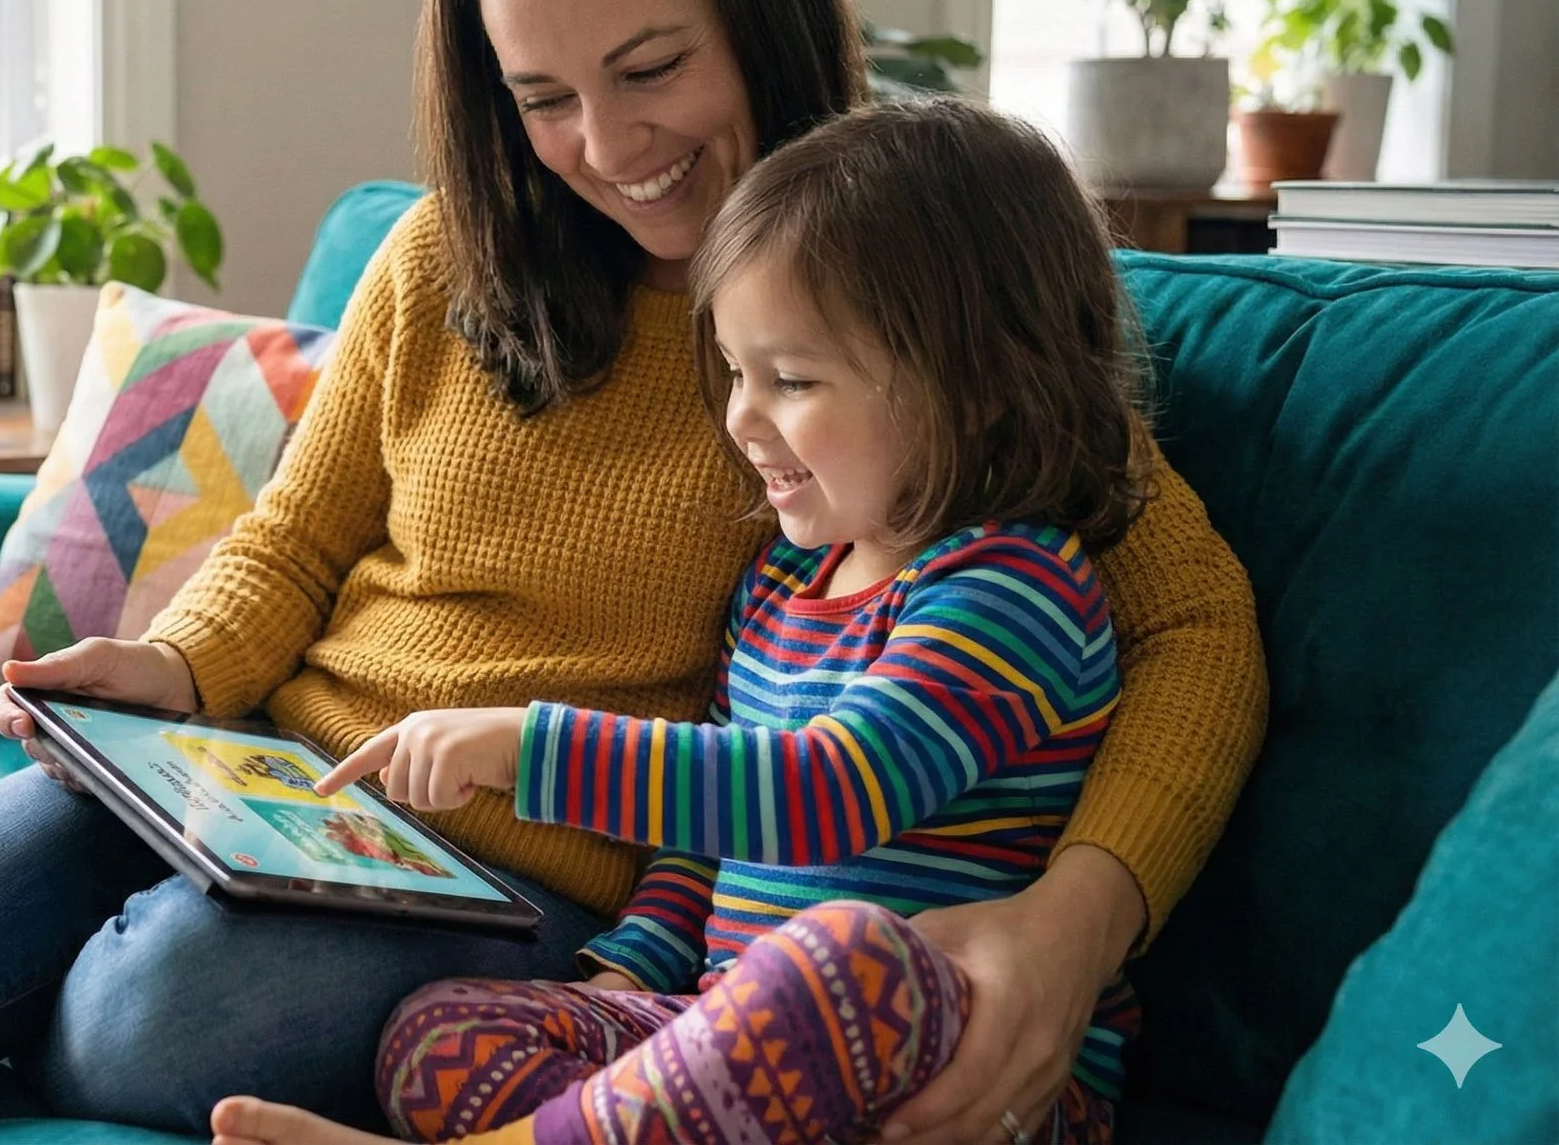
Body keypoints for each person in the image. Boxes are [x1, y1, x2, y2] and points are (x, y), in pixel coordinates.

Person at [0, 0, 1265, 1141]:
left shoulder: (906, 298)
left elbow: (1192, 626)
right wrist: (175, 665)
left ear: (760, 11)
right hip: (261, 789)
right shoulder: (441, 261)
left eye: (651, 70)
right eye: (542, 97)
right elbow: (292, 542)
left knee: (157, 1023)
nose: (607, 145)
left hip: (515, 877)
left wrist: (1079, 922)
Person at [209, 96, 1149, 1145]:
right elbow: (700, 847)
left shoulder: (1010, 591)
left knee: (850, 954)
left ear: (975, 384)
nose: (742, 418)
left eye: (790, 380)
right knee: (443, 1030)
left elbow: (827, 793)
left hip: (952, 1085)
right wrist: (625, 972)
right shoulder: (784, 587)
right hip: (726, 1051)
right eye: (736, 373)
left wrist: (528, 744)